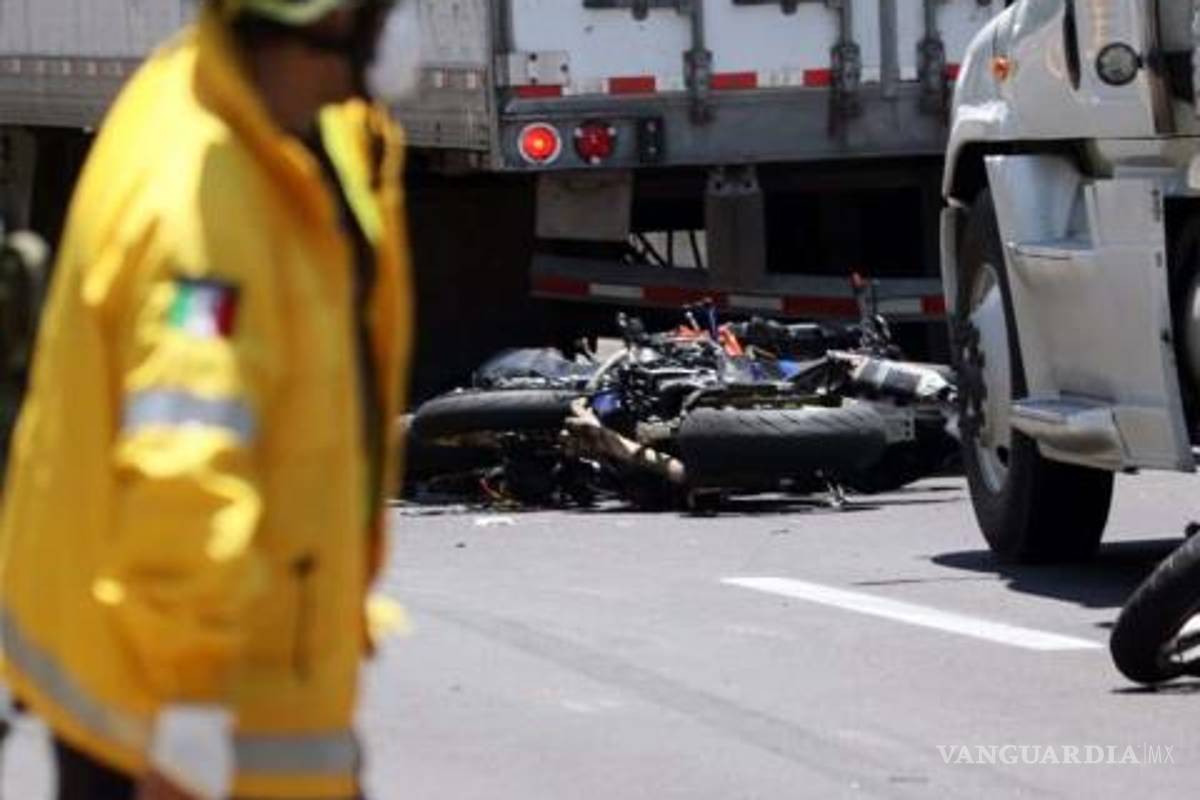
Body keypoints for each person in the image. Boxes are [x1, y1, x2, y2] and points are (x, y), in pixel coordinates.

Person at [0, 0, 414, 797]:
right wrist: (183, 711)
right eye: (368, 18)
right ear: (305, 34)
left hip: (212, 682)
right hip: (187, 719)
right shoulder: (205, 215)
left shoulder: (252, 119)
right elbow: (183, 460)